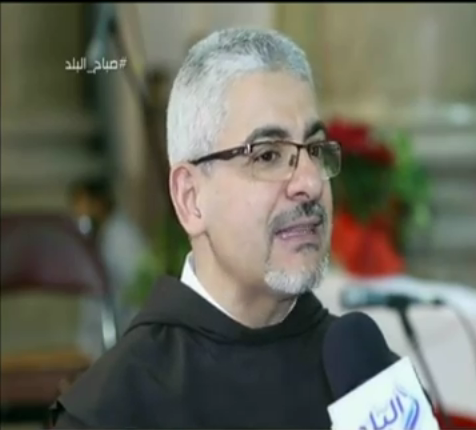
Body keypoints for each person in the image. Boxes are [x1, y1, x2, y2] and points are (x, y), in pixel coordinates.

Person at [50, 27, 398, 428]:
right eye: (267, 155)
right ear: (191, 198)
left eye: (315, 150)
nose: (310, 183)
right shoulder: (112, 409)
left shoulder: (366, 380)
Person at [68, 176, 149, 336]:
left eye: (83, 205)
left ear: (99, 203)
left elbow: (141, 290)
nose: (78, 214)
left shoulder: (122, 238)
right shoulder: (101, 236)